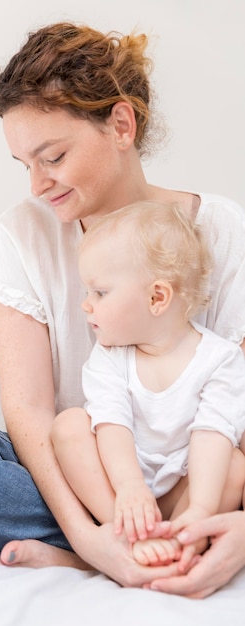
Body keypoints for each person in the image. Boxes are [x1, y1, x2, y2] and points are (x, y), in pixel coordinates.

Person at [0, 22, 245, 597]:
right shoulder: (23, 233)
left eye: (52, 156)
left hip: (200, 470)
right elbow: (29, 411)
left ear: (121, 125)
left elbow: (232, 415)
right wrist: (90, 536)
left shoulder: (222, 231)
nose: (37, 184)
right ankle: (124, 545)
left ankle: (169, 532)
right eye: (24, 163)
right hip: (83, 471)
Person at [51, 201, 245, 572]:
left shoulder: (219, 359)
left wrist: (201, 507)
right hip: (117, 481)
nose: (85, 306)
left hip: (182, 486)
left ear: (157, 297)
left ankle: (185, 536)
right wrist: (128, 488)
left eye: (100, 293)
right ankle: (124, 532)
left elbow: (213, 433)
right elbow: (112, 424)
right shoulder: (109, 357)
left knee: (234, 464)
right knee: (69, 425)